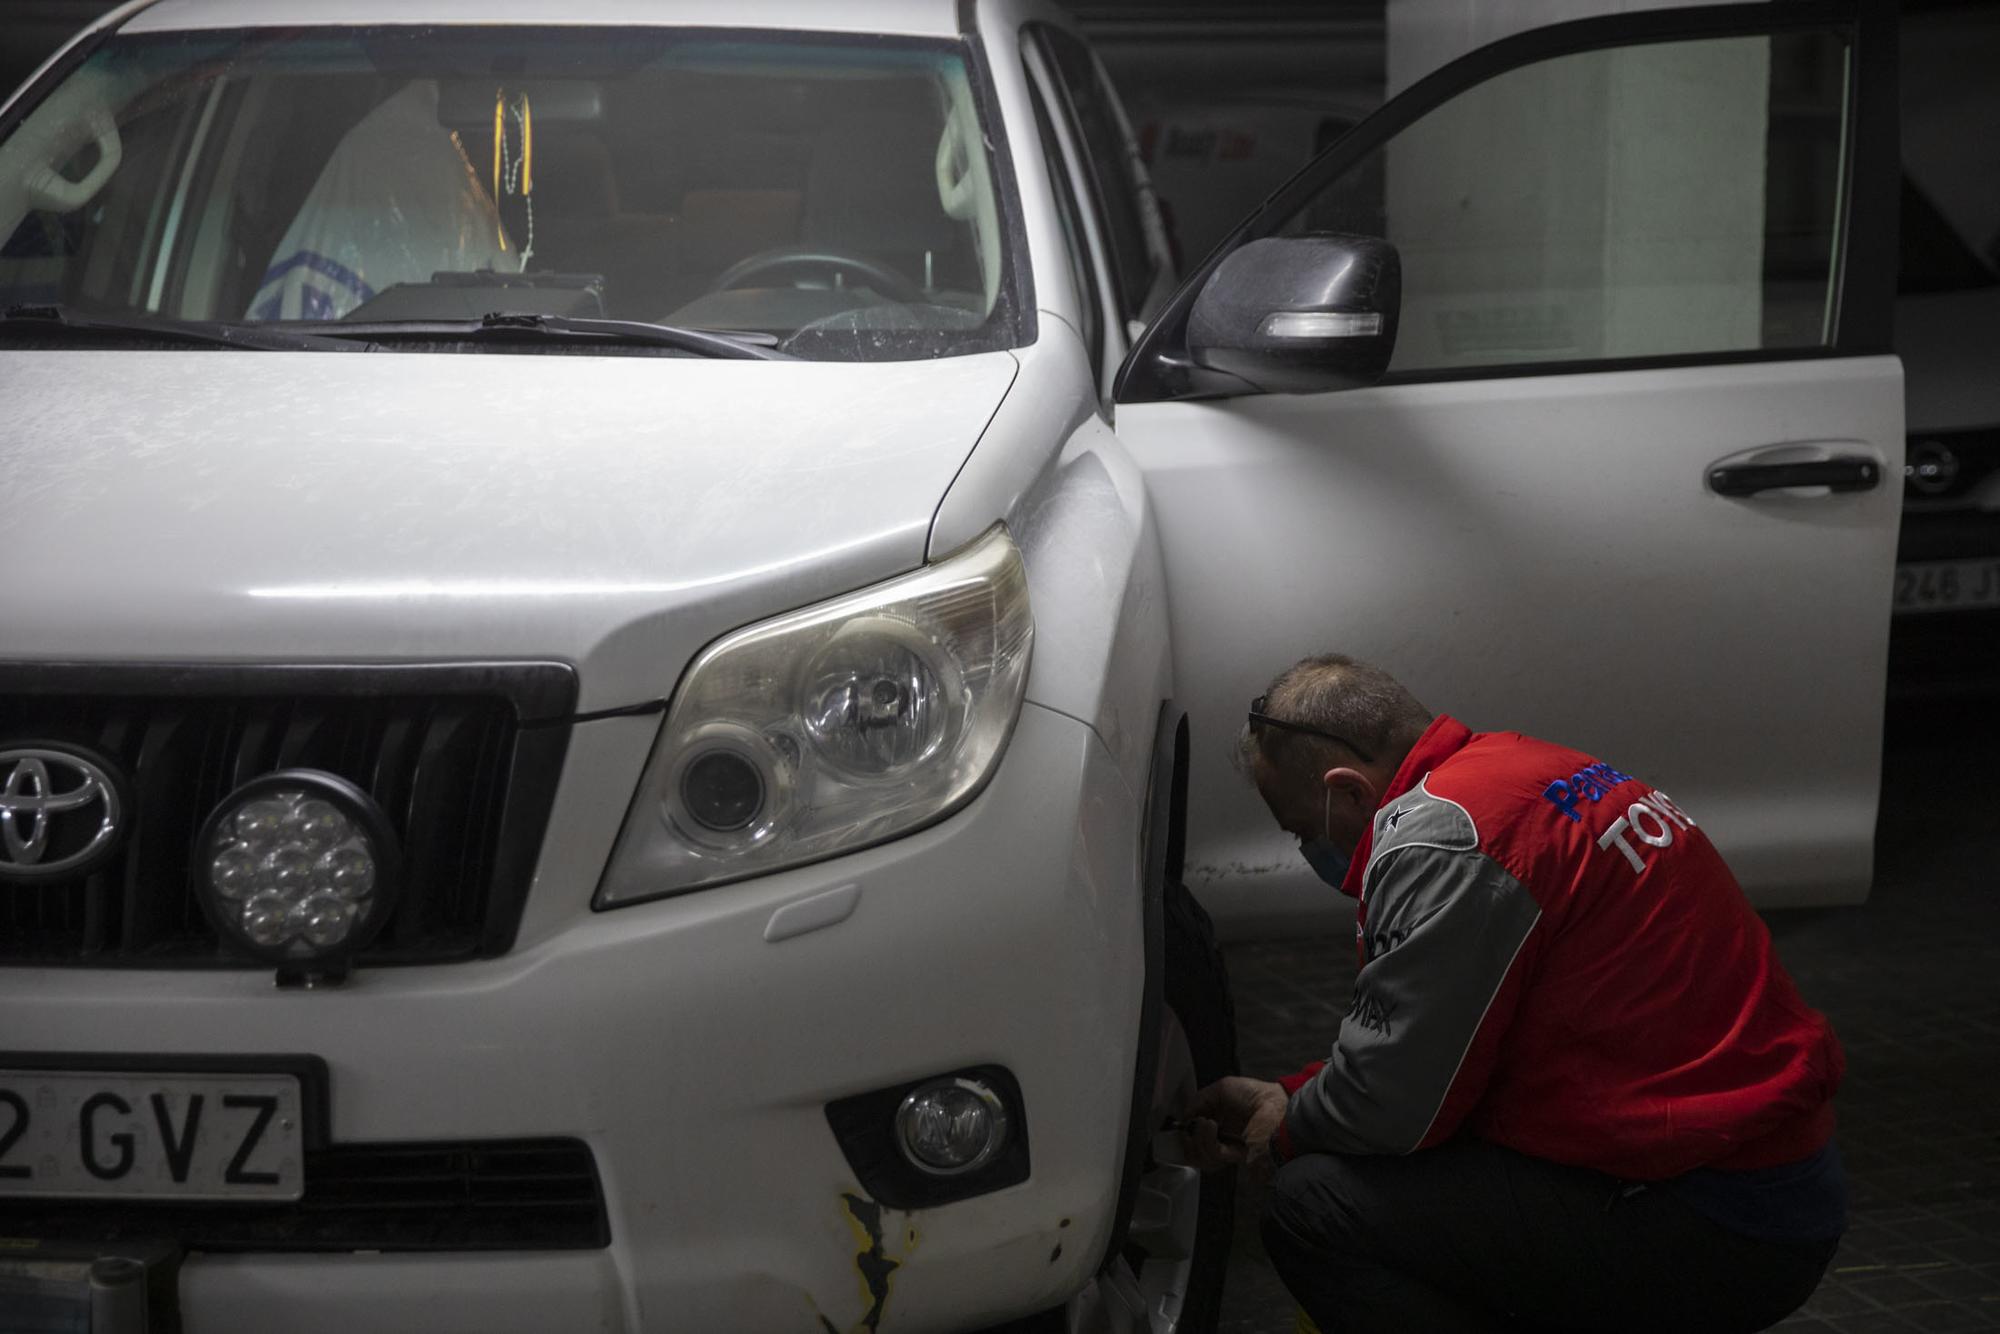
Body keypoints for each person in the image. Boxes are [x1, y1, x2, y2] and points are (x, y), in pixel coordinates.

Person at [1181, 654, 1846, 1334]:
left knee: (1312, 1208)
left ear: (1349, 792)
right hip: (1766, 1175)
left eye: (1302, 830)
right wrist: (1293, 1095)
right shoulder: (1523, 769)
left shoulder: (1443, 839)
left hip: (1722, 1214)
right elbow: (1446, 1044)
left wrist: (1285, 1130)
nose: (1309, 849)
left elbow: (1396, 1107)